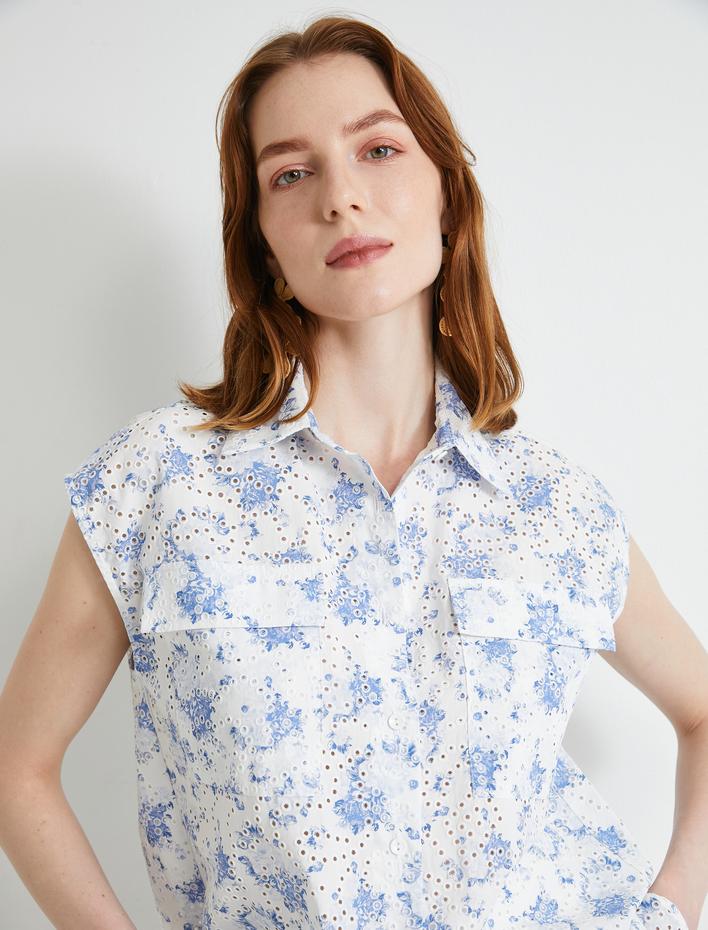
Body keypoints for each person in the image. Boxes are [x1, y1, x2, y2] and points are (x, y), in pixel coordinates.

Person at [0, 14, 706, 930]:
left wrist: (669, 913)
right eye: (291, 174)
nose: (341, 198)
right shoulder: (155, 485)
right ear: (263, 242)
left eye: (378, 149)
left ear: (446, 192)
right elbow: (17, 765)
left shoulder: (554, 507)